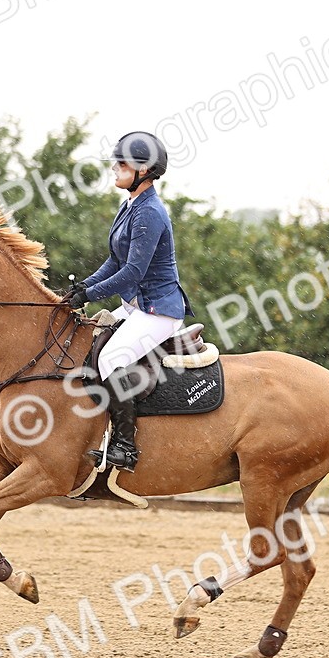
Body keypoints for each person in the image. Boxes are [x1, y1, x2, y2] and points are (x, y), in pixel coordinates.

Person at [64, 130, 193, 472]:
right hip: (138, 306)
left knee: (110, 359)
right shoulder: (130, 207)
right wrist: (81, 290)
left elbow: (133, 273)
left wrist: (91, 294)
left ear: (144, 170)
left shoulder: (150, 212)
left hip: (158, 310)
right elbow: (114, 261)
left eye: (122, 163)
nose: (115, 168)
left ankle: (125, 445)